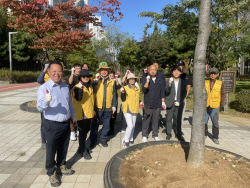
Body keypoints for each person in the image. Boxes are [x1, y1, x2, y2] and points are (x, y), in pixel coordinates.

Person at [36, 61, 76, 187]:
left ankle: (61, 164)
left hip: (65, 122)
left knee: (64, 146)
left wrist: (73, 116)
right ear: (48, 72)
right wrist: (45, 102)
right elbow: (39, 108)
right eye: (54, 71)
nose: (56, 73)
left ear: (62, 72)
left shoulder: (65, 86)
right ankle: (51, 171)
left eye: (59, 71)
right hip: (52, 124)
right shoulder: (44, 88)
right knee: (51, 149)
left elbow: (69, 103)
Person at [90, 62, 117, 148]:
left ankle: (103, 139)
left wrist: (114, 105)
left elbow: (114, 95)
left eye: (105, 70)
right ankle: (93, 141)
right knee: (95, 125)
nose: (104, 71)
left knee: (106, 125)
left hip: (108, 107)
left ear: (108, 71)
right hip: (98, 108)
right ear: (99, 71)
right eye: (102, 70)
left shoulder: (112, 82)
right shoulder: (96, 81)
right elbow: (91, 93)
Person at [72, 69, 94, 160]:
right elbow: (78, 97)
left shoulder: (90, 87)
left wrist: (94, 111)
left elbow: (92, 100)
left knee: (87, 130)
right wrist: (79, 90)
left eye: (87, 76)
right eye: (83, 76)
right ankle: (83, 150)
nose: (86, 78)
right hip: (81, 113)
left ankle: (81, 147)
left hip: (89, 112)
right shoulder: (76, 87)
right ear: (80, 78)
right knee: (82, 133)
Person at [141, 65, 166, 142]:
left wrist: (163, 102)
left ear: (156, 70)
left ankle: (155, 135)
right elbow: (144, 90)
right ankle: (144, 135)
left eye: (154, 70)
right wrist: (147, 81)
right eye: (151, 69)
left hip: (157, 104)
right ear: (148, 70)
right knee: (146, 119)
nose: (152, 71)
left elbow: (162, 92)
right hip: (148, 103)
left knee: (156, 120)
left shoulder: (160, 80)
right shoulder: (146, 78)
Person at [165, 65, 187, 141]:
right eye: (174, 71)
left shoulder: (183, 82)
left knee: (178, 119)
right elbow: (166, 92)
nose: (176, 72)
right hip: (170, 102)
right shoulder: (168, 81)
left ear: (180, 72)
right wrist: (169, 85)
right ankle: (168, 133)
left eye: (178, 71)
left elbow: (184, 93)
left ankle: (178, 134)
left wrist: (180, 101)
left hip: (179, 103)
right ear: (172, 72)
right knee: (168, 119)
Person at [205, 67, 225, 144]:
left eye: (214, 74)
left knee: (215, 122)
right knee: (204, 122)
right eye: (211, 74)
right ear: (209, 74)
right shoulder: (205, 82)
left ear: (217, 75)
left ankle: (215, 137)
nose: (212, 75)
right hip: (206, 105)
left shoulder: (220, 83)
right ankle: (204, 135)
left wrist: (222, 104)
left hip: (215, 106)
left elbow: (223, 94)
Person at [121, 72, 140, 148]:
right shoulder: (125, 88)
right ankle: (125, 140)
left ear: (135, 80)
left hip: (135, 108)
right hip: (127, 109)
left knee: (133, 125)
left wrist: (140, 103)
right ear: (128, 80)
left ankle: (131, 138)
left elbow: (137, 98)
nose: (132, 80)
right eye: (130, 79)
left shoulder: (137, 88)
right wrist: (122, 92)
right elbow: (122, 98)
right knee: (130, 125)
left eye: (133, 79)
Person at [37, 61, 51, 150]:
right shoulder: (45, 75)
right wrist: (44, 70)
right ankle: (43, 142)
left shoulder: (55, 74)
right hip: (45, 101)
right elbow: (39, 80)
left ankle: (50, 140)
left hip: (54, 103)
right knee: (43, 123)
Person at [66, 63, 81, 141]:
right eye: (76, 68)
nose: (78, 70)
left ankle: (78, 130)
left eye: (79, 68)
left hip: (80, 99)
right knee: (73, 115)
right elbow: (70, 82)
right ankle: (72, 132)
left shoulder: (81, 76)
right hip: (72, 99)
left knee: (79, 114)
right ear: (74, 69)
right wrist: (72, 73)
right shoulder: (72, 76)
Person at [107, 69, 121, 136]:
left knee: (113, 116)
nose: (111, 77)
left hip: (114, 101)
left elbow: (119, 87)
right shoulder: (107, 82)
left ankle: (112, 130)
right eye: (110, 75)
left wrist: (116, 79)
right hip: (107, 102)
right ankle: (107, 129)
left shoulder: (115, 81)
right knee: (107, 117)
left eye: (112, 76)